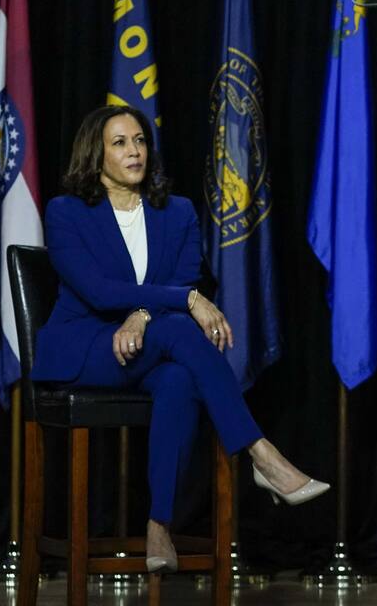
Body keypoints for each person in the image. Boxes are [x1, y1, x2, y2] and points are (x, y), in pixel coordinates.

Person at [31, 105, 330, 573]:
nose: (135, 151)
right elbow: (97, 290)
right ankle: (261, 453)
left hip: (147, 346)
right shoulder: (66, 212)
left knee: (178, 381)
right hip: (84, 347)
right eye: (120, 142)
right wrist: (184, 300)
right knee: (177, 327)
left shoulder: (179, 212)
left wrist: (144, 315)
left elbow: (183, 277)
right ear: (96, 154)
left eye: (140, 141)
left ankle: (158, 524)